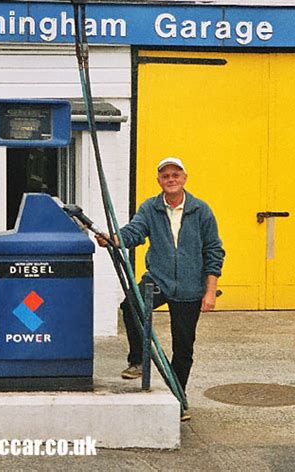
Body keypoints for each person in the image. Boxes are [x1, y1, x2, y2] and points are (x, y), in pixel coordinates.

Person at [96, 157, 224, 407]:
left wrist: (210, 291)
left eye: (176, 175)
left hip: (189, 288)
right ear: (159, 181)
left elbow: (214, 251)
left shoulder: (201, 210)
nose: (171, 179)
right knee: (131, 305)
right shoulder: (150, 208)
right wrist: (114, 238)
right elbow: (135, 232)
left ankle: (178, 396)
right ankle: (137, 360)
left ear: (184, 178)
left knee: (183, 348)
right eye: (165, 176)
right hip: (159, 280)